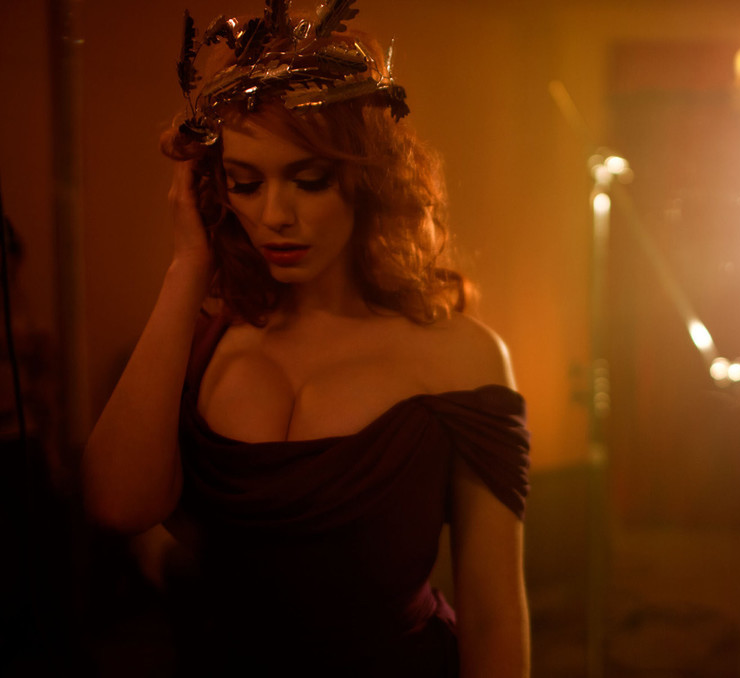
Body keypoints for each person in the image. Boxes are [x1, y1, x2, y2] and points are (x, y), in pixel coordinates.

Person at [81, 1, 530, 675]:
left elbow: (494, 620)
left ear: (366, 176)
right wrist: (188, 265)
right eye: (245, 183)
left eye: (309, 180)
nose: (275, 216)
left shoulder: (461, 358)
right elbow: (117, 506)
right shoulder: (204, 343)